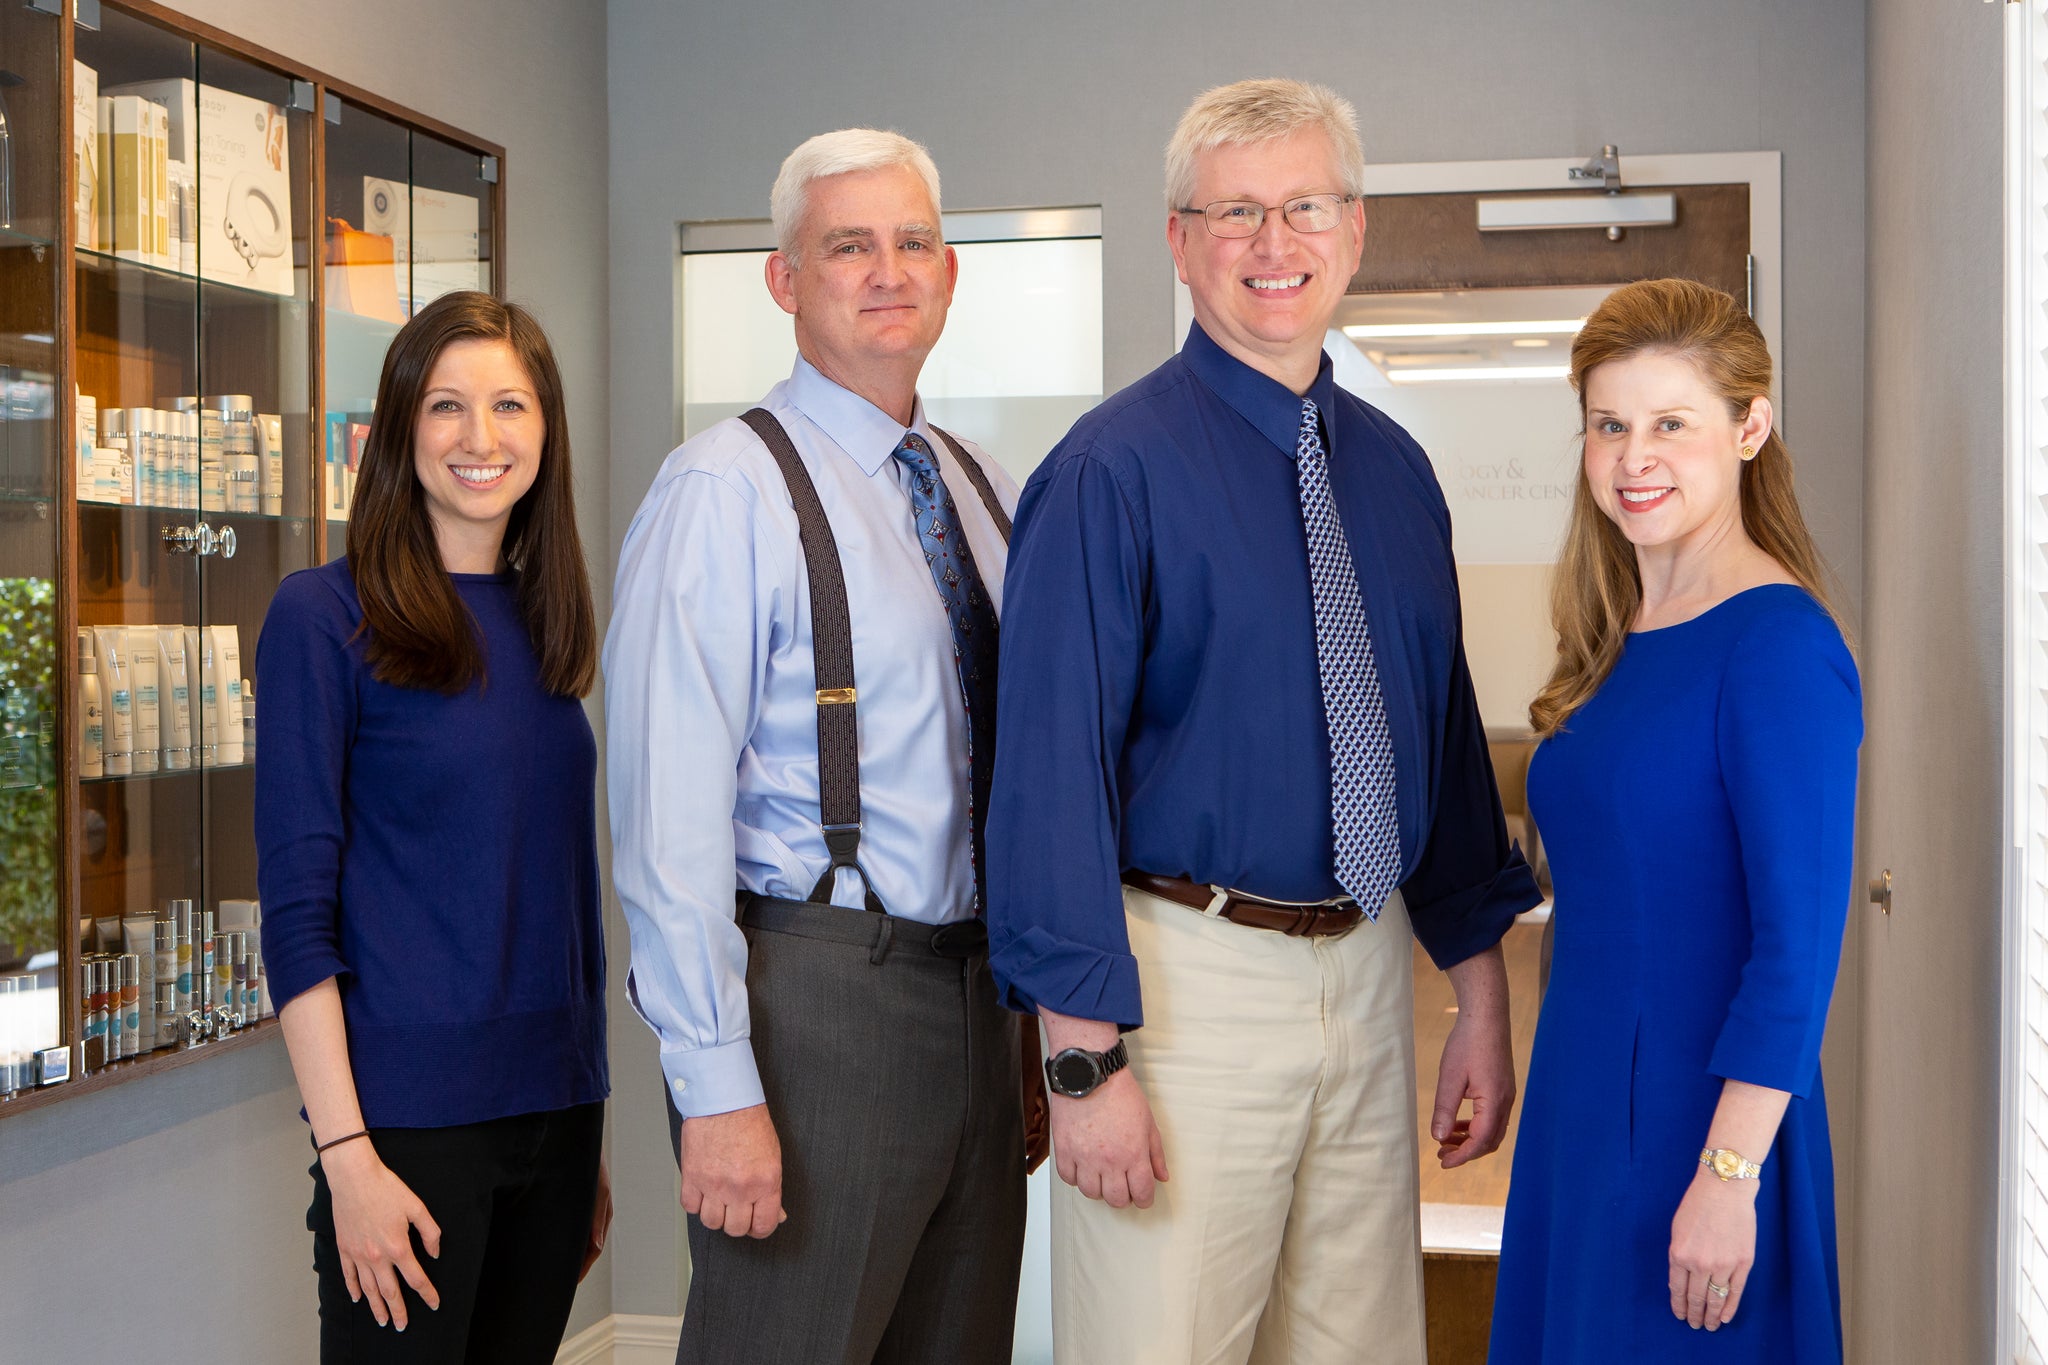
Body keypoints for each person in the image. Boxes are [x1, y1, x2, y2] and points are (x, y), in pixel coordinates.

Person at [986, 78, 1539, 1365]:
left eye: (1302, 207)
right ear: (1180, 242)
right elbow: (1047, 782)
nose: (1272, 246)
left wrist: (1478, 997)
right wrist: (1082, 1065)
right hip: (1181, 991)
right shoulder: (1105, 474)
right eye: (1234, 214)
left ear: (1352, 229)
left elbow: (1440, 746)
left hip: (1365, 972)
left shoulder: (1396, 473)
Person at [605, 127, 1046, 1365]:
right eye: (847, 244)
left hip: (972, 1002)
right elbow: (665, 823)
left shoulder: (983, 489)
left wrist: (1019, 1032)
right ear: (783, 276)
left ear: (949, 274)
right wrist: (716, 1086)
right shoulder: (722, 491)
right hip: (807, 1011)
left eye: (912, 242)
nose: (886, 270)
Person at [1488, 277, 1859, 1364]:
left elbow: (1796, 947)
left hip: (1701, 1130)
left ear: (1749, 428)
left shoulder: (1775, 645)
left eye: (1668, 424)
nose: (1631, 457)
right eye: (1608, 424)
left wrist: (1726, 1177)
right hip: (1585, 1101)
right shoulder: (1617, 635)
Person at [256, 290, 610, 1363]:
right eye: (447, 406)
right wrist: (347, 1156)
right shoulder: (323, 618)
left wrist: (576, 1130)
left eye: (510, 406)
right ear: (399, 426)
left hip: (553, 1116)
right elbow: (298, 917)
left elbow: (554, 896)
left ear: (545, 432)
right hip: (405, 1132)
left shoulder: (543, 623)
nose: (480, 437)